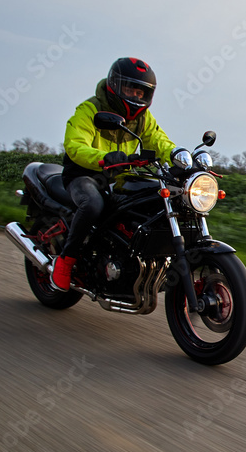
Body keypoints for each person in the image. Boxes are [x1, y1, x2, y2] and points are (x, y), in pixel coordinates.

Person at [51, 57, 176, 291]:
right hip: (85, 175)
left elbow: (160, 141)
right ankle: (66, 261)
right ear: (115, 85)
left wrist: (180, 157)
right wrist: (102, 158)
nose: (136, 96)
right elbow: (75, 145)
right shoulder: (90, 109)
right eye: (130, 89)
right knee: (92, 205)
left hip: (118, 178)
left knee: (153, 199)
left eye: (142, 92)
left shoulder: (142, 119)